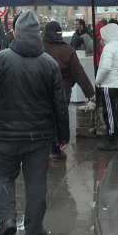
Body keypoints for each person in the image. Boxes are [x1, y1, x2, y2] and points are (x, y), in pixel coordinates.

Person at [0, 10, 71, 235]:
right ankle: (33, 231)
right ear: (39, 35)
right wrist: (63, 135)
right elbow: (59, 103)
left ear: (15, 32)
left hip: (4, 135)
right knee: (36, 183)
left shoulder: (0, 59)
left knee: (3, 177)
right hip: (38, 136)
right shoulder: (49, 63)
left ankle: (7, 220)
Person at [42, 21, 95, 160]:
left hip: (42, 91)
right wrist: (91, 93)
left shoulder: (40, 48)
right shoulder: (68, 50)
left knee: (45, 120)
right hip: (63, 92)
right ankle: (56, 150)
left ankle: (43, 150)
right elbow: (79, 73)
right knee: (60, 120)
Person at [95, 22, 118, 151]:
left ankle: (111, 138)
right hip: (116, 82)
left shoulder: (108, 48)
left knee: (108, 112)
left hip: (108, 83)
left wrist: (98, 80)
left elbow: (105, 67)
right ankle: (112, 134)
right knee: (112, 110)